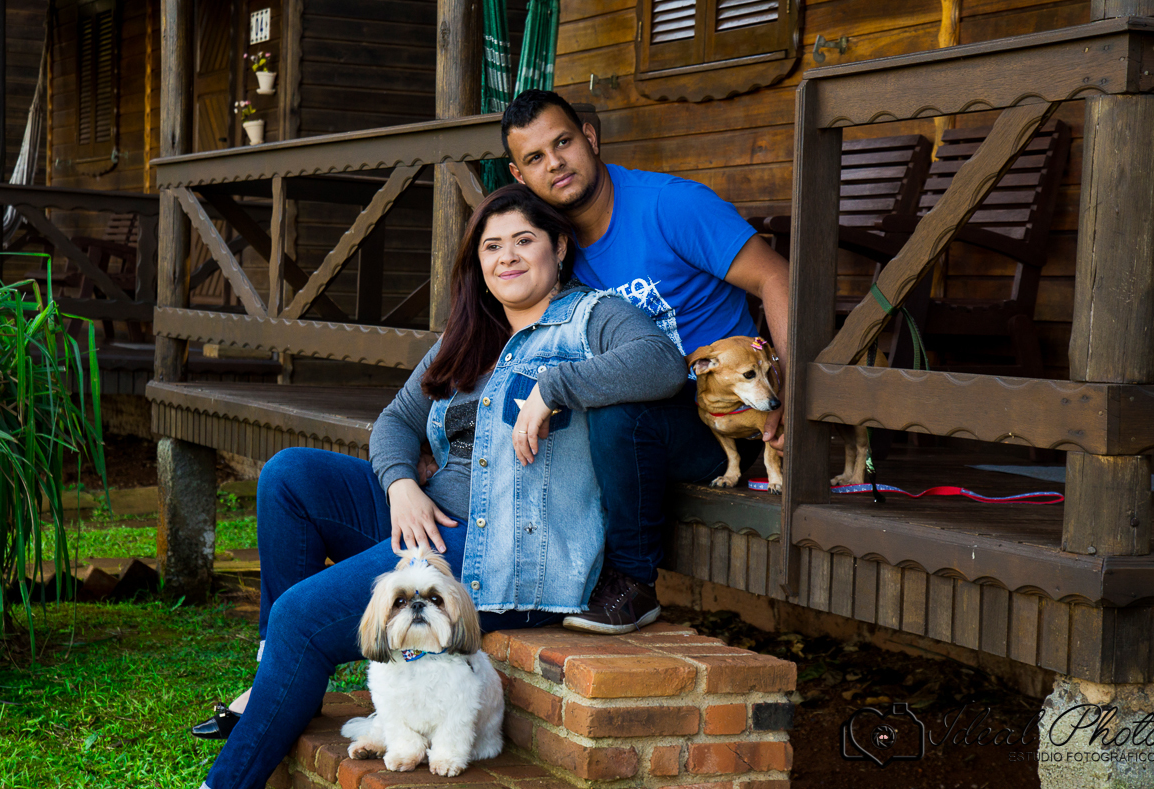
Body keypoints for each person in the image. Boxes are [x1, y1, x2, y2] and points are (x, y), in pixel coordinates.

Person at [192, 184, 686, 789]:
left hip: (492, 548)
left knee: (301, 617)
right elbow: (396, 422)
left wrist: (555, 388)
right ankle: (279, 672)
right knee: (290, 475)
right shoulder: (470, 335)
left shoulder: (593, 318)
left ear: (559, 247)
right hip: (429, 520)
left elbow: (663, 361)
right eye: (491, 246)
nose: (507, 257)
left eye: (523, 241)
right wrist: (401, 484)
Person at [499, 89, 792, 634]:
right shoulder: (551, 245)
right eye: (535, 158)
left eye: (563, 142)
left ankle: (632, 584)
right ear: (520, 176)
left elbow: (776, 277)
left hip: (720, 415)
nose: (555, 163)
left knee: (617, 410)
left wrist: (789, 394)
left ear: (590, 138)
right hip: (637, 411)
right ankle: (538, 573)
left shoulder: (670, 206)